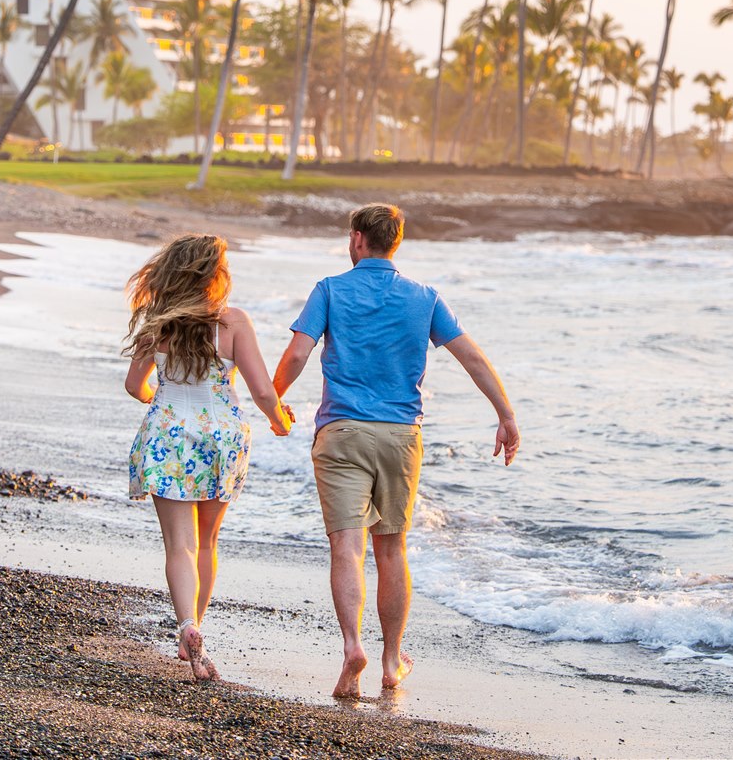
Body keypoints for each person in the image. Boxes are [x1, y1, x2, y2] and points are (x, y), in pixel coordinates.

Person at [273, 203, 521, 699]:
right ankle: (390, 660)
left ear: (358, 239)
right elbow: (471, 356)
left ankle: (351, 647)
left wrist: (272, 400)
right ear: (396, 241)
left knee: (346, 545)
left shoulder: (329, 289)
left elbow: (299, 354)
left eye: (351, 237)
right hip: (400, 436)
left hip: (341, 432)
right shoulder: (425, 297)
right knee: (392, 547)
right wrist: (506, 415)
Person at [123, 233, 293, 681]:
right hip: (221, 438)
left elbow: (134, 386)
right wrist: (280, 420)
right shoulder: (232, 322)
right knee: (207, 541)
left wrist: (157, 400)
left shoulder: (157, 324)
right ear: (213, 276)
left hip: (168, 436)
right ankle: (195, 630)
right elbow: (260, 390)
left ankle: (188, 627)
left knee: (179, 544)